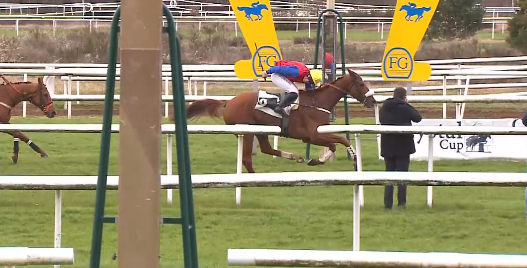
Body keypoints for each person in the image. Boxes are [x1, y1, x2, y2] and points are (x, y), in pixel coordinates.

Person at [379, 87, 422, 209]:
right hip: (404, 146)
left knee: (389, 176)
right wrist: (407, 104)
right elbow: (418, 118)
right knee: (403, 176)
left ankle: (388, 204)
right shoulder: (405, 107)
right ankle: (401, 203)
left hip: (388, 146)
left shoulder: (384, 108)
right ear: (404, 97)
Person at [261, 53, 333, 116]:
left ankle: (285, 105)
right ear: (309, 74)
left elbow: (309, 90)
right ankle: (279, 107)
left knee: (294, 91)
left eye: (310, 81)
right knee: (294, 91)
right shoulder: (297, 72)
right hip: (276, 75)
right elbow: (279, 69)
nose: (306, 80)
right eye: (308, 78)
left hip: (283, 75)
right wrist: (267, 72)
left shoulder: (307, 77)